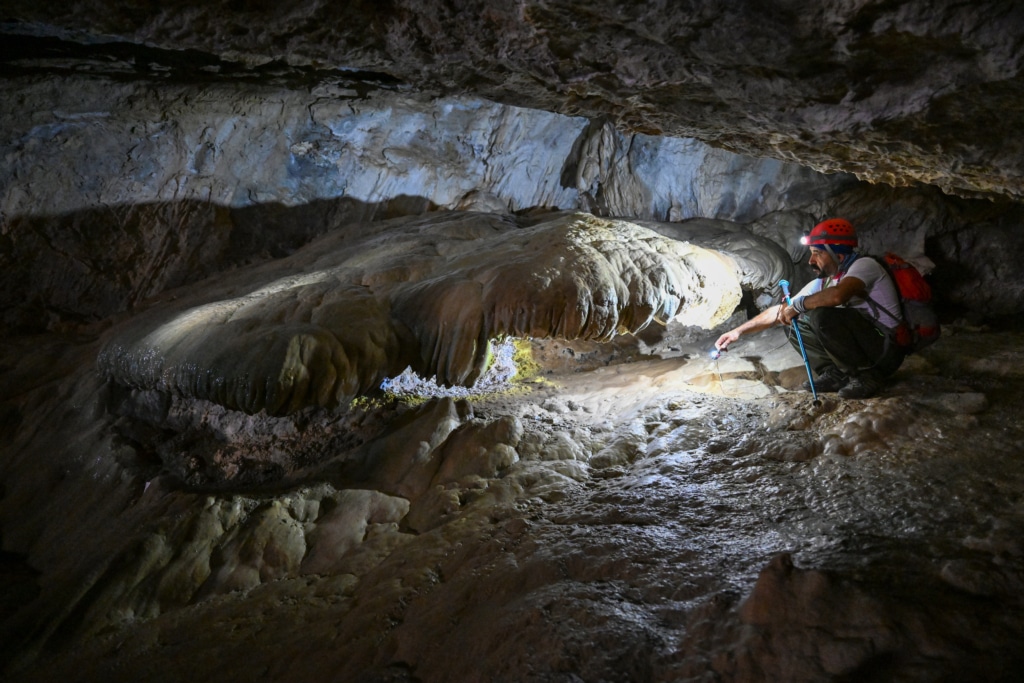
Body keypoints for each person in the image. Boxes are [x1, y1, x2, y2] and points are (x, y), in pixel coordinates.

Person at [714, 218, 905, 399]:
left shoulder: (865, 266)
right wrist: (737, 332)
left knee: (822, 316)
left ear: (837, 255)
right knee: (792, 320)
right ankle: (835, 374)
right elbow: (781, 311)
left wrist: (798, 305)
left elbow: (838, 296)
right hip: (869, 345)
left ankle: (867, 377)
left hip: (886, 348)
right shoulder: (826, 281)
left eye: (817, 253)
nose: (811, 261)